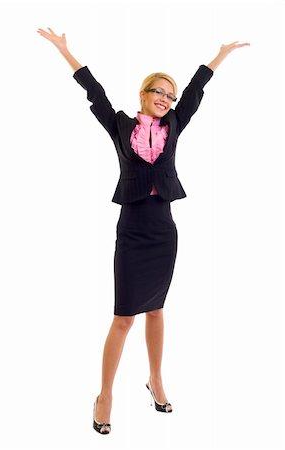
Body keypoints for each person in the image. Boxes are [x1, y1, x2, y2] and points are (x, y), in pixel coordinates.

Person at [37, 27, 250, 435]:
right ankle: (105, 395)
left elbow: (194, 95)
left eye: (169, 95)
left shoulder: (173, 124)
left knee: (156, 309)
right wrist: (67, 51)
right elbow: (94, 94)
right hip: (133, 228)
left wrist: (218, 56)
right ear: (144, 93)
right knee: (123, 318)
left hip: (164, 229)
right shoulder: (120, 125)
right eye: (159, 92)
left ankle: (156, 380)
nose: (166, 99)